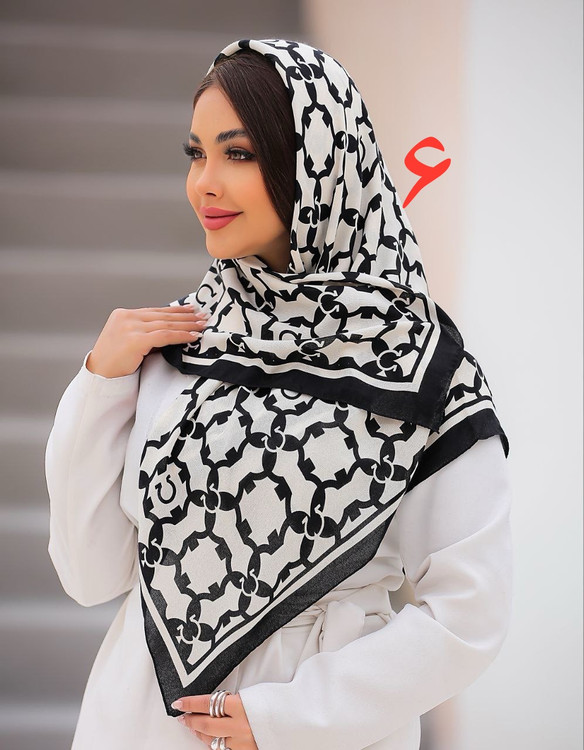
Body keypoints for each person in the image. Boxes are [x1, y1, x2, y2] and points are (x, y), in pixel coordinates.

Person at [45, 38, 512, 750]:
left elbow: (469, 614)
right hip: (137, 723)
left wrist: (286, 719)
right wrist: (100, 384)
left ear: (316, 166)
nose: (204, 183)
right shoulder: (182, 341)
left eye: (238, 153)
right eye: (195, 154)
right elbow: (89, 575)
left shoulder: (420, 370)